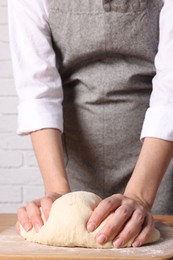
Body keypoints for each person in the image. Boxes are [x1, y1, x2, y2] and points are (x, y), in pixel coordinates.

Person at [8, 0, 173, 248]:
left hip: (158, 164)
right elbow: (38, 93)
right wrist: (59, 195)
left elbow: (169, 94)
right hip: (74, 165)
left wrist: (139, 195)